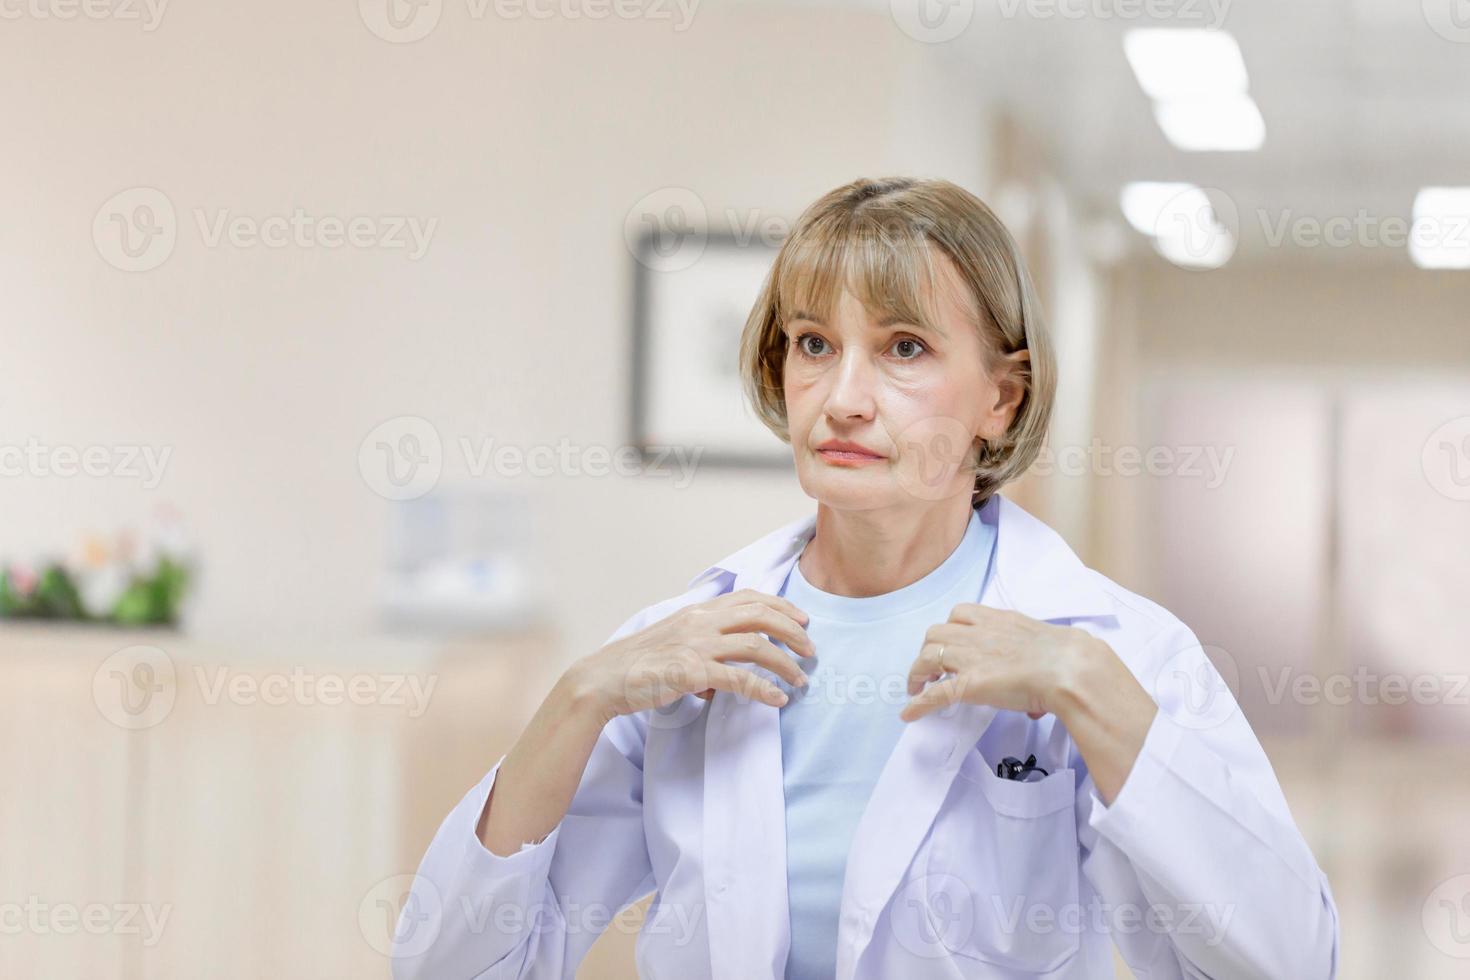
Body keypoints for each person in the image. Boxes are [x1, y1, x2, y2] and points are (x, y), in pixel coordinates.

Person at [391, 176, 1340, 979]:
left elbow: (1289, 955)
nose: (843, 400)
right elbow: (452, 963)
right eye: (813, 344)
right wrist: (580, 695)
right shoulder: (688, 647)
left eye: (905, 349)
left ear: (1000, 401)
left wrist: (1086, 689)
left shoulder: (1116, 648)